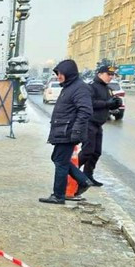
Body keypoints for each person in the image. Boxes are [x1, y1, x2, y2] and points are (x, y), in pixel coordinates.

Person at [39, 59, 94, 205]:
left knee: (61, 162)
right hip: (63, 130)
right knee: (58, 159)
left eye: (60, 74)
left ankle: (58, 195)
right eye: (57, 74)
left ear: (69, 73)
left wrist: (76, 130)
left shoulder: (79, 88)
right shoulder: (70, 87)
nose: (58, 77)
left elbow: (85, 110)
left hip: (68, 131)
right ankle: (83, 181)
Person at [79, 65, 121, 187]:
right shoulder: (92, 86)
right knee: (87, 151)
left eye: (112, 75)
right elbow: (90, 103)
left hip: (98, 123)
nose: (111, 77)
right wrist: (107, 103)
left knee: (96, 152)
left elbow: (108, 104)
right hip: (89, 122)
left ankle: (88, 175)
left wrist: (114, 104)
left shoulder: (107, 88)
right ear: (100, 74)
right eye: (108, 74)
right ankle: (72, 171)